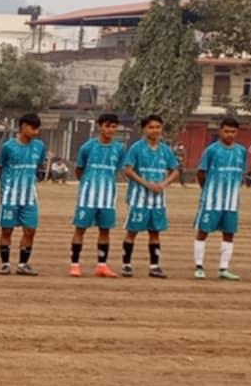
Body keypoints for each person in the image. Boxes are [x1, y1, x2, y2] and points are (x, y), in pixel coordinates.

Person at [117, 115, 180, 278]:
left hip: (158, 200)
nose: (155, 130)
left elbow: (175, 171)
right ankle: (126, 264)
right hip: (139, 198)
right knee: (132, 231)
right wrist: (146, 184)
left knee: (155, 232)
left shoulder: (166, 149)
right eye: (151, 127)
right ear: (144, 129)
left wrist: (163, 184)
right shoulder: (136, 148)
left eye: (158, 127)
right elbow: (128, 170)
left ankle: (154, 266)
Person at [69, 113, 126, 277]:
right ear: (100, 126)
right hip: (87, 197)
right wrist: (88, 184)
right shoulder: (87, 147)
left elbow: (117, 169)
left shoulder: (119, 149)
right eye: (107, 126)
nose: (111, 130)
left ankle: (102, 265)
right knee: (80, 229)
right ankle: (74, 264)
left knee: (105, 230)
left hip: (108, 197)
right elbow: (79, 170)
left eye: (114, 127)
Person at [191, 115, 247, 280]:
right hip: (211, 200)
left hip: (231, 201)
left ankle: (224, 268)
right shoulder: (211, 150)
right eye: (226, 131)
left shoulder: (242, 151)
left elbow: (242, 172)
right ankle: (199, 266)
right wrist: (207, 190)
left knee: (229, 233)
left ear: (237, 132)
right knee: (203, 231)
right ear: (220, 131)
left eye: (233, 132)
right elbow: (201, 172)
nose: (229, 135)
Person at [0, 113, 47, 275]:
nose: (36, 132)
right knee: (7, 230)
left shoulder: (39, 146)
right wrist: (7, 186)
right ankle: (5, 263)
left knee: (30, 230)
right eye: (33, 128)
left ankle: (23, 264)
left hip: (30, 197)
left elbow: (38, 166)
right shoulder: (8, 147)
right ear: (23, 126)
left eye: (38, 129)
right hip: (10, 197)